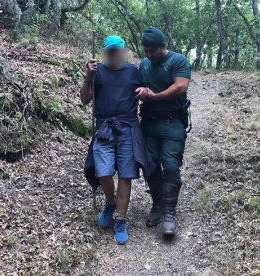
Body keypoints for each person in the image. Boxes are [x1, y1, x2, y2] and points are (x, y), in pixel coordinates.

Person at [82, 35, 154, 244]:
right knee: (103, 172)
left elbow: (146, 92)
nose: (114, 54)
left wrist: (145, 92)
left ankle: (120, 220)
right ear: (105, 52)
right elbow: (85, 99)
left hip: (128, 128)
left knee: (125, 174)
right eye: (110, 50)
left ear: (123, 51)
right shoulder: (98, 71)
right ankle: (110, 202)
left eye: (117, 50)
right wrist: (88, 75)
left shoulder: (133, 71)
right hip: (104, 128)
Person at [136, 27, 191, 237]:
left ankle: (169, 212)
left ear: (163, 47)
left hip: (172, 121)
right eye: (146, 51)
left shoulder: (178, 61)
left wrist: (155, 96)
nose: (149, 55)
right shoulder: (144, 64)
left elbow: (180, 87)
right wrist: (141, 92)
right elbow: (140, 86)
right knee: (150, 164)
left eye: (153, 51)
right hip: (148, 123)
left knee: (170, 164)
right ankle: (157, 204)